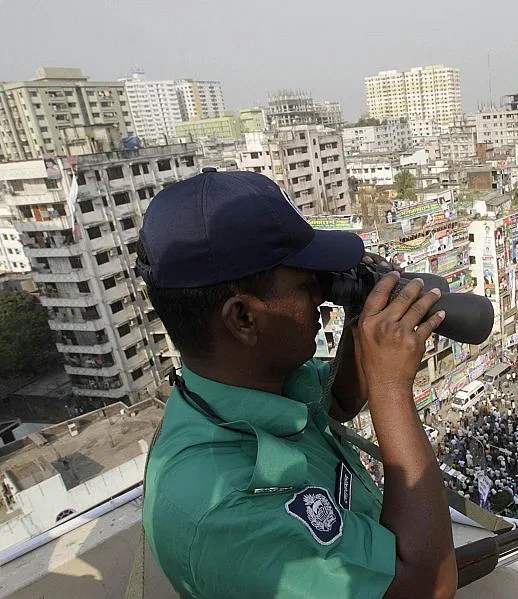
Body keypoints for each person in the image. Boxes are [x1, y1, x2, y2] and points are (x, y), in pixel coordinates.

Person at [140, 169, 457, 598]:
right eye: (305, 283)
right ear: (244, 318)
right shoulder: (226, 509)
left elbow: (339, 400)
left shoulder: (246, 389)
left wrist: (363, 313)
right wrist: (390, 386)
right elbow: (429, 585)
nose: (320, 296)